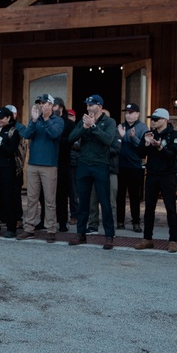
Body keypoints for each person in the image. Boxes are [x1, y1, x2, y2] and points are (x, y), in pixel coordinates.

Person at [68, 95, 117, 250]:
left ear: (100, 106)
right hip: (83, 164)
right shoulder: (84, 121)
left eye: (92, 105)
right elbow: (71, 137)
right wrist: (85, 127)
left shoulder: (109, 122)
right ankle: (80, 234)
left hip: (100, 165)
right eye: (87, 105)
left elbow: (109, 140)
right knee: (83, 201)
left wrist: (94, 127)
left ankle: (109, 236)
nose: (88, 108)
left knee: (104, 201)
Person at [17, 94, 64, 242]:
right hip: (33, 164)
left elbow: (54, 134)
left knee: (50, 200)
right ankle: (29, 228)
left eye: (44, 103)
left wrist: (46, 119)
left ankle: (51, 229)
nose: (41, 105)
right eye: (39, 103)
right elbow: (26, 134)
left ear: (51, 105)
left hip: (49, 165)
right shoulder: (35, 120)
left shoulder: (58, 121)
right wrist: (34, 120)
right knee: (31, 199)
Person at [134, 108, 177, 253]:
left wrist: (159, 147)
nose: (153, 122)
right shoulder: (149, 134)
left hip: (168, 175)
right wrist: (146, 144)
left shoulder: (174, 135)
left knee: (170, 208)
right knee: (149, 208)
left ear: (165, 120)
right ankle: (147, 238)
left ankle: (173, 240)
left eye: (156, 119)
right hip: (152, 174)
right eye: (152, 119)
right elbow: (140, 154)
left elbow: (173, 154)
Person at [0, 107, 21, 238]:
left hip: (7, 167)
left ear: (8, 118)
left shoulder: (14, 131)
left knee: (8, 197)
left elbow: (11, 150)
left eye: (2, 118)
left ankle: (11, 227)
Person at [117, 103, 147, 233]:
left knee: (135, 196)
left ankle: (136, 222)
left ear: (137, 114)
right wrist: (121, 137)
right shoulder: (120, 126)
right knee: (120, 196)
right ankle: (120, 221)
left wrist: (131, 137)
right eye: (127, 112)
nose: (128, 115)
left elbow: (143, 148)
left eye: (131, 112)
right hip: (120, 166)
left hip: (135, 167)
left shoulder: (142, 128)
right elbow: (114, 142)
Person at [57, 107, 77, 232]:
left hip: (72, 162)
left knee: (73, 192)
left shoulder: (72, 126)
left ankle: (74, 215)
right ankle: (55, 219)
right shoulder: (54, 124)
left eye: (71, 115)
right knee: (58, 194)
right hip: (58, 162)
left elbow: (73, 141)